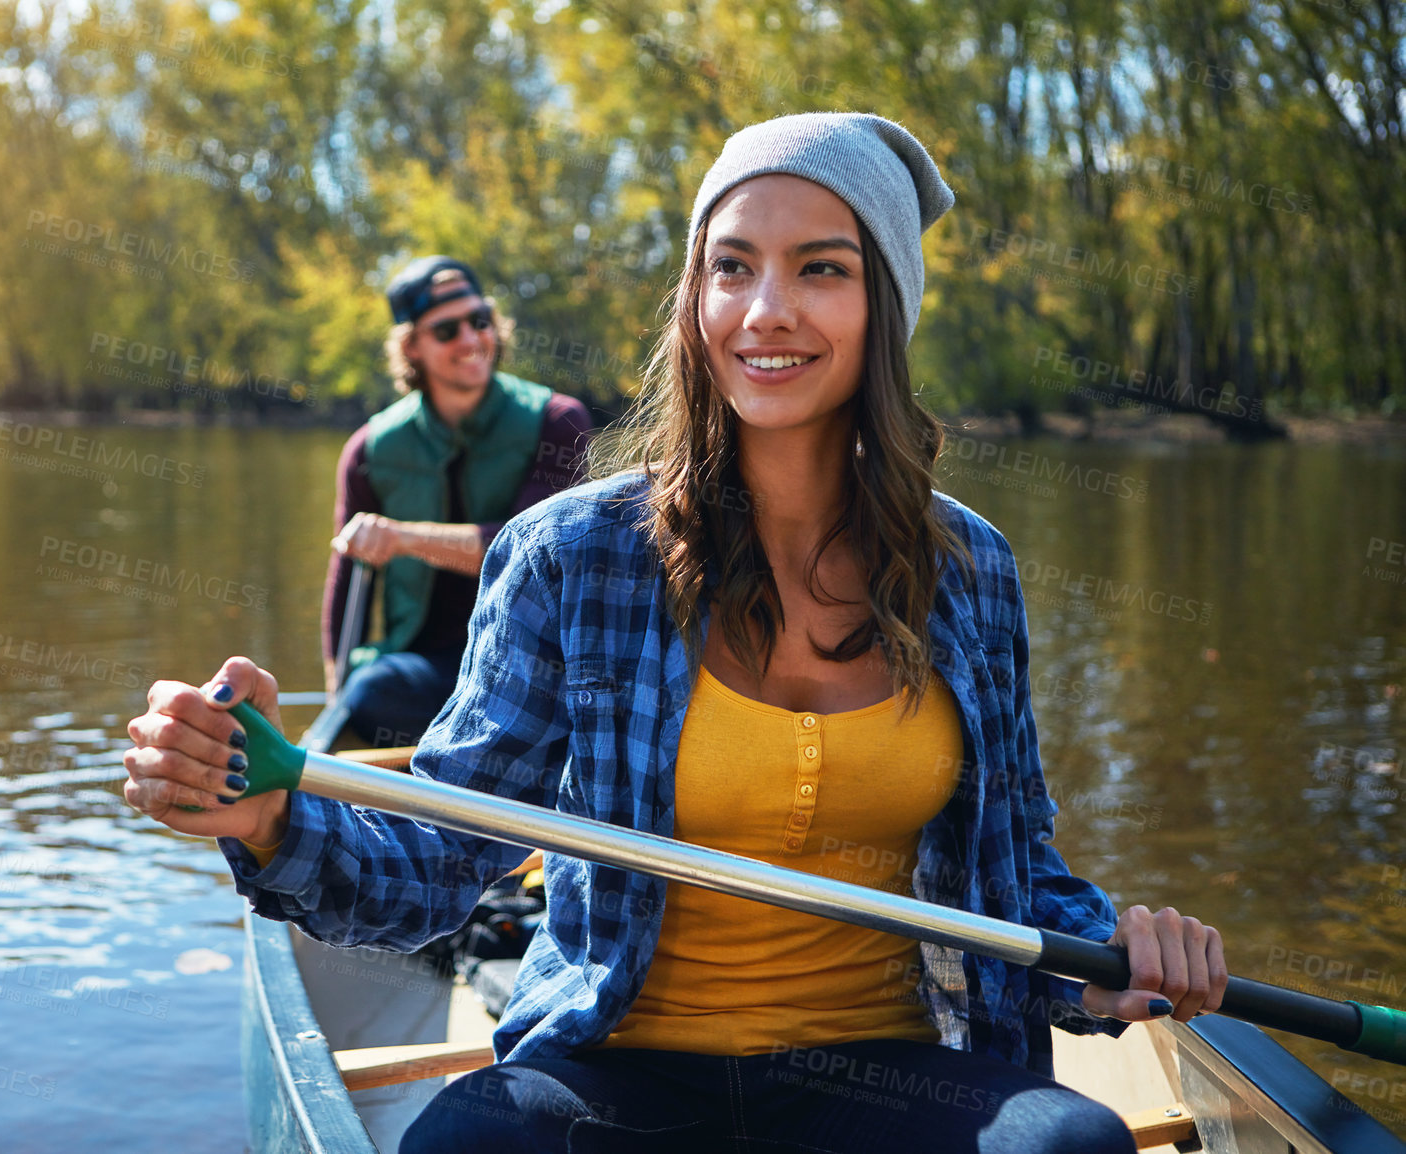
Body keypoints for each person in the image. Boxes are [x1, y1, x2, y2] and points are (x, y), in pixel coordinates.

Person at [122, 113, 1227, 1153]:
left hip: (884, 1070)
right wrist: (271, 816)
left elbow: (1016, 873)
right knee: (463, 1139)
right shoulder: (572, 553)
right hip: (615, 1072)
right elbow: (446, 855)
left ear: (885, 301)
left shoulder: (968, 567)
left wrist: (1110, 958)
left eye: (820, 267)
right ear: (695, 296)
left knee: (1074, 1140)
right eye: (732, 265)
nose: (764, 310)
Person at [321, 255, 593, 748]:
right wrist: (335, 701)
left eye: (480, 321)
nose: (471, 340)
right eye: (447, 330)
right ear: (412, 348)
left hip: (535, 667)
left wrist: (402, 538)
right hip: (428, 672)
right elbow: (347, 585)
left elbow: (528, 555)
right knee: (369, 691)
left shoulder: (559, 422)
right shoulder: (368, 450)